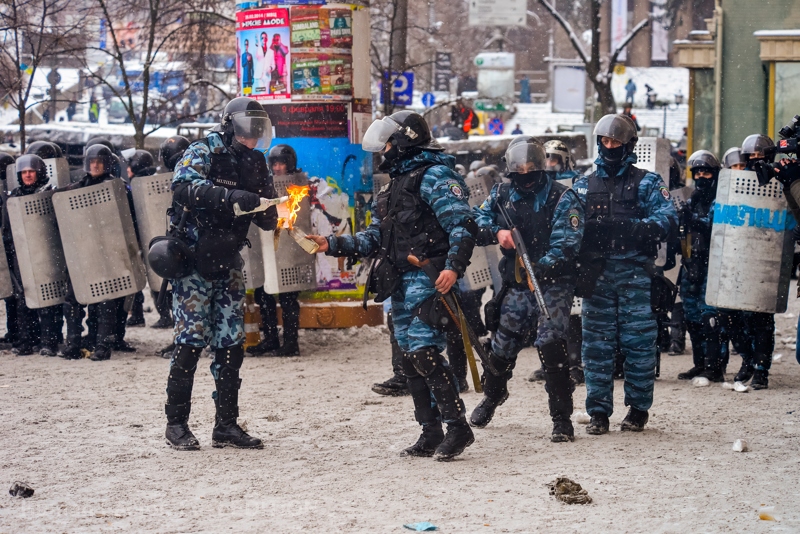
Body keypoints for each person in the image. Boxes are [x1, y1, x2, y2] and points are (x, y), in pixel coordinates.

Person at [306, 110, 477, 461]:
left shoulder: (435, 177)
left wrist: (454, 268)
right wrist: (332, 244)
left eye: (387, 142)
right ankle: (430, 432)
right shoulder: (392, 186)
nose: (383, 150)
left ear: (404, 140)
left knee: (423, 352)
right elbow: (375, 237)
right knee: (410, 361)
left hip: (430, 277)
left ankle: (457, 427)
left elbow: (463, 225)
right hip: (399, 280)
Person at [161, 97, 277, 450]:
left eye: (257, 131)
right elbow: (182, 187)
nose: (252, 137)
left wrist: (268, 209)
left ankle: (225, 424)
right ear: (229, 126)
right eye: (246, 130)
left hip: (228, 262)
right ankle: (176, 423)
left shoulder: (256, 162)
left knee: (231, 343)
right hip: (194, 260)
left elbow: (265, 210)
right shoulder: (204, 151)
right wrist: (228, 197)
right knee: (191, 342)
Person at [470, 137, 584, 442]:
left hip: (554, 283)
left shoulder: (563, 198)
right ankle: (492, 397)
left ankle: (562, 419)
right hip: (518, 283)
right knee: (502, 345)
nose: (525, 180)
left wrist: (542, 266)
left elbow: (567, 245)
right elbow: (477, 221)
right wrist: (498, 232)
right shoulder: (502, 193)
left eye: (531, 174)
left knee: (551, 345)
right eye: (518, 175)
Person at [573, 114, 678, 435]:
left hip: (635, 276)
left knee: (639, 346)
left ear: (628, 144)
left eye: (615, 142)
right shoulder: (583, 184)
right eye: (604, 141)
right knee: (596, 348)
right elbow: (567, 227)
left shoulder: (647, 182)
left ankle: (637, 409)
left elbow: (669, 219)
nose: (609, 147)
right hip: (598, 277)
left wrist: (631, 228)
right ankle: (599, 413)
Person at [60, 145, 133, 361]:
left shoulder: (118, 187)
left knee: (105, 302)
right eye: (92, 161)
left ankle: (102, 346)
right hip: (83, 252)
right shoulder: (77, 187)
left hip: (108, 253)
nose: (95, 165)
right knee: (73, 300)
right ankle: (73, 344)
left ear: (107, 164)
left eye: (99, 161)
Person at [529, 139, 583, 384]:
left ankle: (574, 364)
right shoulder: (537, 185)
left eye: (555, 158)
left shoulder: (576, 184)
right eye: (547, 158)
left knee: (573, 316)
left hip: (571, 257)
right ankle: (549, 364)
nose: (550, 163)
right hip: (543, 257)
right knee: (546, 315)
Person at [675, 150, 725, 382]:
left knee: (710, 317)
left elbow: (715, 226)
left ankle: (714, 366)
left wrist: (692, 219)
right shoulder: (693, 198)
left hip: (713, 263)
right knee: (692, 317)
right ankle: (700, 363)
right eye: (698, 173)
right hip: (692, 262)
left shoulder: (721, 197)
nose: (702, 177)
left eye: (706, 172)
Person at [249, 144, 302, 357]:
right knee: (263, 293)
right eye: (275, 164)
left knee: (289, 298)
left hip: (288, 249)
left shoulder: (297, 184)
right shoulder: (265, 183)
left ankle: (291, 342)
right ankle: (270, 338)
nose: (278, 167)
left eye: (282, 163)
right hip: (267, 247)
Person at [5, 155, 59, 356]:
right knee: (23, 298)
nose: (28, 175)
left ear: (39, 172)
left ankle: (49, 341)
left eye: (31, 171)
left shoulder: (49, 193)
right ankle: (27, 340)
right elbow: (7, 228)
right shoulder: (14, 196)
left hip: (45, 251)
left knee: (47, 299)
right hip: (20, 254)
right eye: (24, 172)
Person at [125, 150, 158, 329]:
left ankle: (138, 313)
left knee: (138, 277)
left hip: (139, 237)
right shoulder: (153, 182)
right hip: (151, 236)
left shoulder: (136, 186)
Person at [0, 152, 19, 348]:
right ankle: (14, 331)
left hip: (13, 246)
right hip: (9, 245)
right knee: (10, 294)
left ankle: (16, 331)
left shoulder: (12, 193)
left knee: (13, 293)